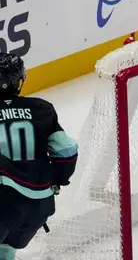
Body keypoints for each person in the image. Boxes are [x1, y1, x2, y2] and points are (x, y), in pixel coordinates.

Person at [0, 53, 78, 259]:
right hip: (39, 204)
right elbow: (67, 151)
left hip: (3, 202)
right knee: (6, 249)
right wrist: (56, 180)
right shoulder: (41, 109)